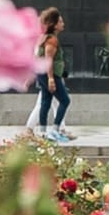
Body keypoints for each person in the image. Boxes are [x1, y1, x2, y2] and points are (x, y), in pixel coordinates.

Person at [32, 7, 73, 137]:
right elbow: (48, 60)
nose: (63, 24)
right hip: (50, 74)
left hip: (43, 74)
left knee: (46, 101)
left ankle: (43, 133)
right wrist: (51, 79)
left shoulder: (44, 38)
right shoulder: (51, 40)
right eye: (60, 22)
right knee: (65, 100)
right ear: (54, 25)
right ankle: (55, 130)